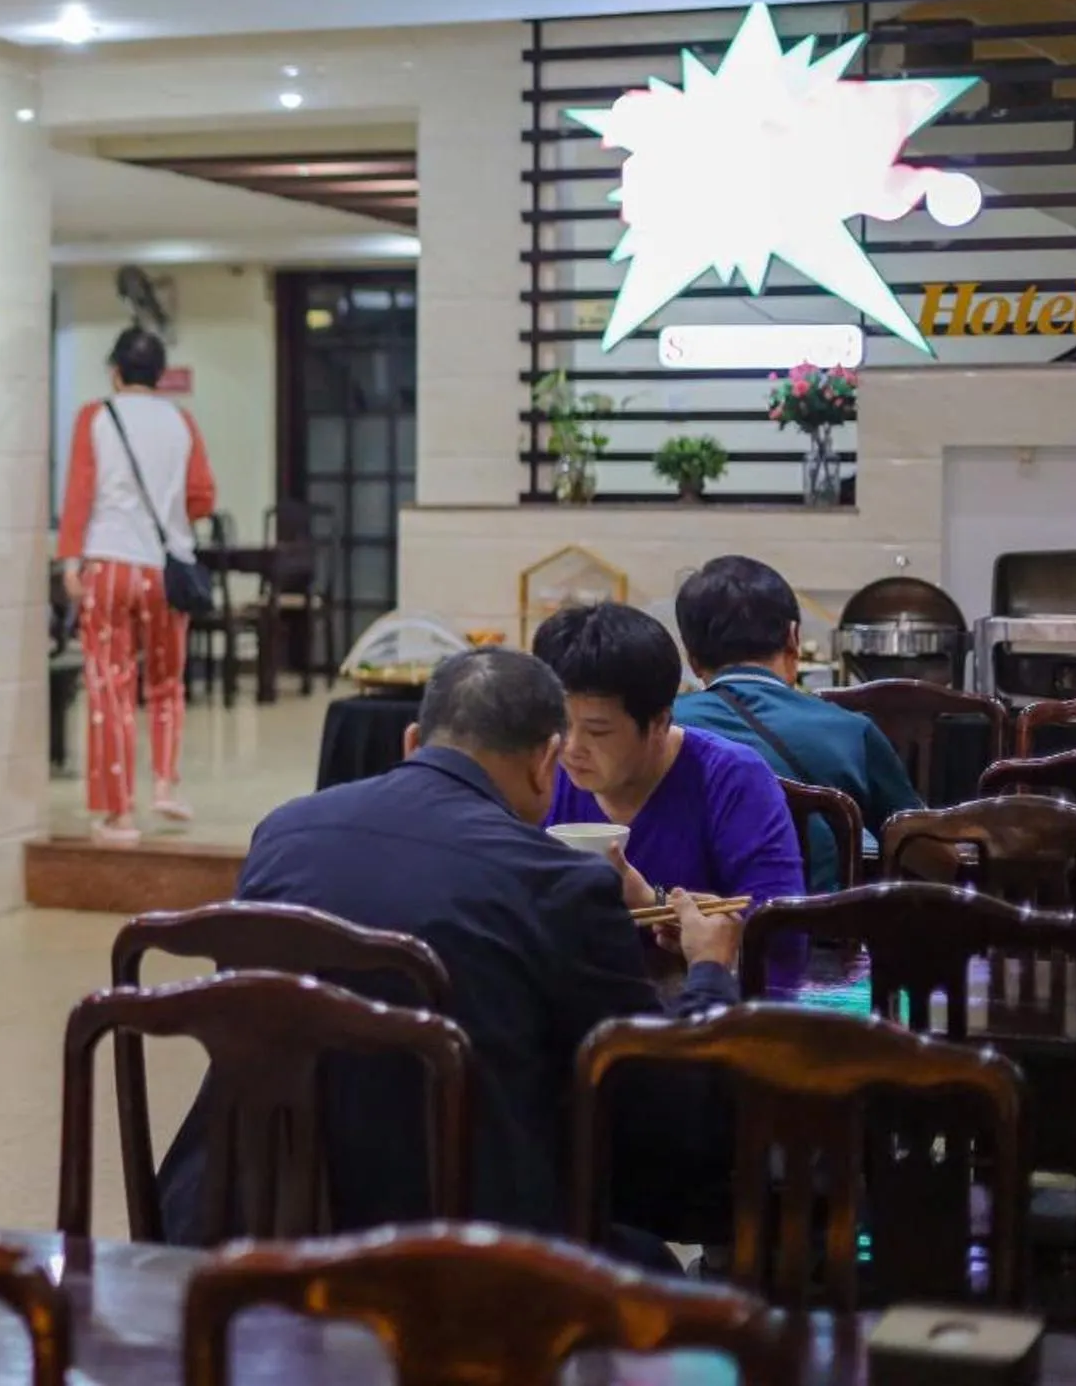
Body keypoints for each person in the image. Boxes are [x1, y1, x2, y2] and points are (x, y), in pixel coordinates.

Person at [155, 649, 740, 1251]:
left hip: (251, 1220)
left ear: (413, 741)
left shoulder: (285, 830)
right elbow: (655, 1099)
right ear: (547, 762)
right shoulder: (559, 882)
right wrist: (710, 972)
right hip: (463, 1252)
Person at [533, 603, 806, 985]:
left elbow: (780, 937)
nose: (572, 748)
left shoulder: (731, 779)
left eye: (597, 732)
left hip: (703, 1013)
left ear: (659, 721)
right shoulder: (539, 771)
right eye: (561, 723)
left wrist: (651, 902)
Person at [56, 326, 217, 842]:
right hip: (165, 571)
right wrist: (170, 520)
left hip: (108, 563)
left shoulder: (96, 416)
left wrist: (69, 561)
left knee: (110, 687)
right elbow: (202, 497)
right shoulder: (181, 421)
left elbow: (80, 492)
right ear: (160, 374)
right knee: (167, 684)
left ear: (116, 371)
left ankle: (119, 812)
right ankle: (166, 785)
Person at [672, 554, 918, 890]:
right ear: (793, 638)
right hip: (824, 936)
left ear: (691, 656)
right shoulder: (852, 731)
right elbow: (921, 851)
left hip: (685, 932)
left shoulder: (662, 728)